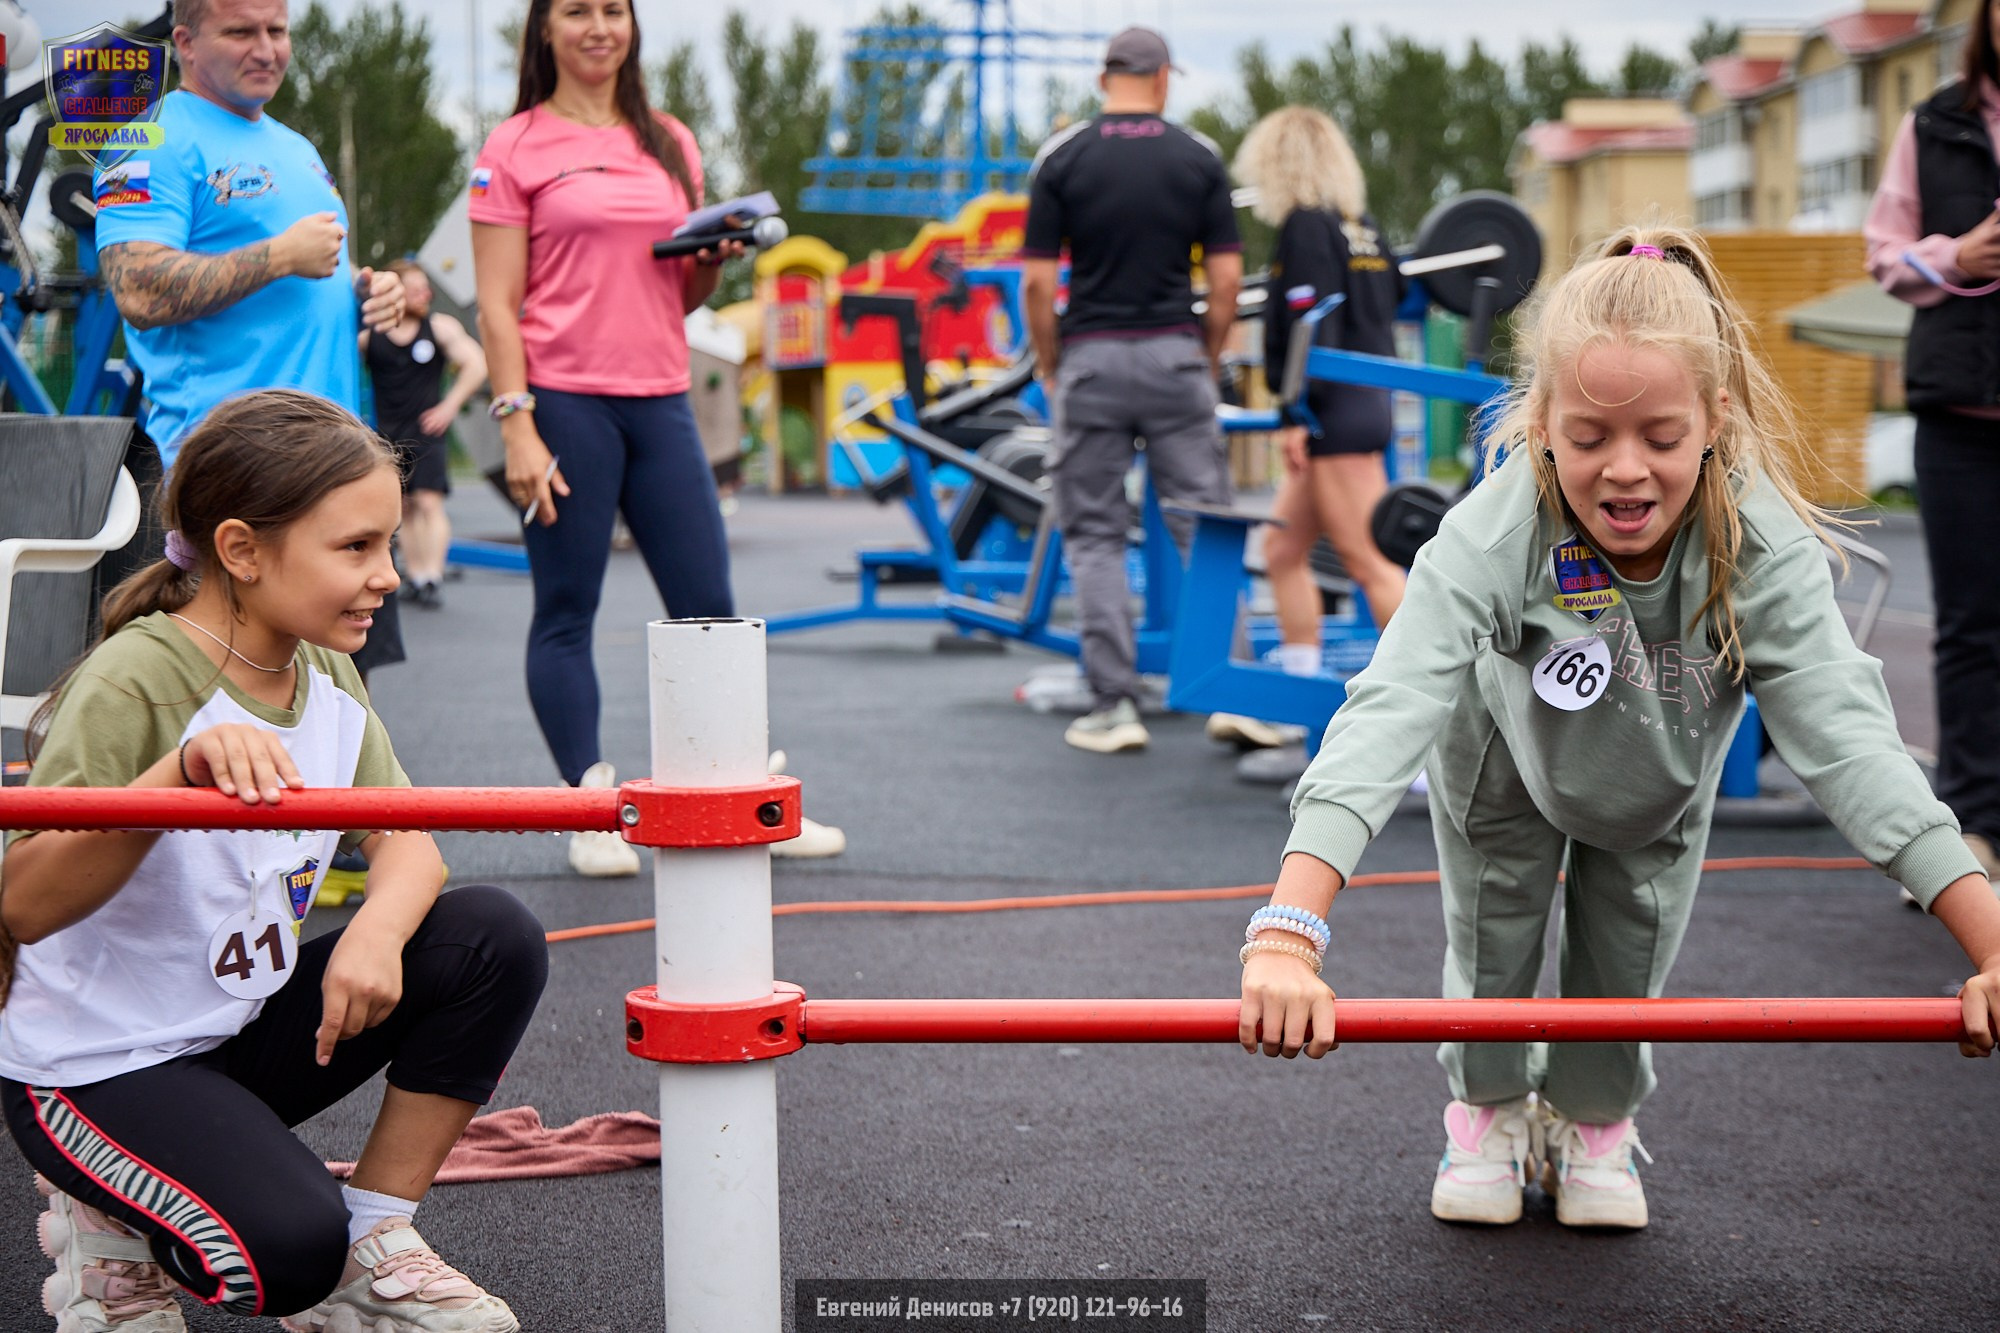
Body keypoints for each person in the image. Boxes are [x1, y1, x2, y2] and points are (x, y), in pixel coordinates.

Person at [1236, 227, 2000, 1233]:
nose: (1624, 472)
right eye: (1589, 437)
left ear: (1714, 420)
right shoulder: (1497, 529)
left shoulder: (1756, 547)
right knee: (1495, 928)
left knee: (1627, 947)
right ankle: (1489, 1109)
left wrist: (1985, 935)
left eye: (1659, 436)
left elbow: (1846, 740)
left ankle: (1595, 1121)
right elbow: (1391, 702)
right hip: (1502, 761)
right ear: (1543, 422)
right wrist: (1288, 932)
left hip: (1657, 772)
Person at [0, 391, 548, 1331]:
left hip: (226, 1034)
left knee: (492, 935)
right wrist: (176, 779)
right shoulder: (137, 679)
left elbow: (407, 840)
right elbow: (19, 905)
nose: (386, 574)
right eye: (354, 548)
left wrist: (376, 929)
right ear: (243, 551)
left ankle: (376, 1236)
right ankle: (107, 1224)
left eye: (387, 543)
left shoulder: (324, 670)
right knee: (286, 1255)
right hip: (91, 1067)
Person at [469, 0, 843, 875]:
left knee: (710, 614)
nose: (598, 27)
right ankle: (588, 804)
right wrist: (516, 421)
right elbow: (495, 304)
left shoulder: (669, 138)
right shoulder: (513, 145)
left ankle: (739, 798)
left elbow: (675, 298)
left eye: (613, 11)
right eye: (577, 12)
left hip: (663, 399)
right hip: (563, 401)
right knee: (567, 610)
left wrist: (712, 260)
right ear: (546, 29)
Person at [93, 0, 408, 684]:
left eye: (278, 30)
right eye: (241, 32)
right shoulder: (143, 140)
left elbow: (302, 275)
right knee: (229, 707)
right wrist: (278, 256)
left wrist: (363, 290)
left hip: (332, 463)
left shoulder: (296, 147)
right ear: (185, 43)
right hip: (236, 475)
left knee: (335, 709)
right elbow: (139, 291)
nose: (266, 48)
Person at [1022, 25, 1242, 754]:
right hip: (1175, 356)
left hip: (1091, 357)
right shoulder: (1198, 157)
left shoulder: (1062, 157)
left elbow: (1036, 281)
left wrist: (1052, 363)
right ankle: (1234, 691)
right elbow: (1226, 281)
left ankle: (1114, 706)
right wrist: (1204, 355)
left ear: (1103, 78)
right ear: (1163, 79)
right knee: (1205, 526)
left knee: (1093, 533)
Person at [1208, 105, 1410, 766]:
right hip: (1362, 402)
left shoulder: (1306, 227)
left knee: (1369, 563)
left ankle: (1421, 733)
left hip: (1331, 413)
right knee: (1283, 550)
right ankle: (1297, 700)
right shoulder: (1364, 228)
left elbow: (1308, 327)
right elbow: (1388, 304)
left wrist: (1294, 414)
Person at [1865, 0, 2000, 890]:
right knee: (1970, 629)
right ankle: (1976, 833)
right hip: (1961, 415)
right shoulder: (1936, 121)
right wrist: (1957, 256)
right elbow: (1885, 256)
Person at [361, 261, 488, 610]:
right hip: (388, 435)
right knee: (404, 508)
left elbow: (477, 364)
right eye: (415, 287)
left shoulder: (439, 328)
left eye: (424, 287)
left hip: (427, 430)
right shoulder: (370, 334)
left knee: (430, 503)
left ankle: (432, 575)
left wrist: (449, 406)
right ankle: (415, 576)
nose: (424, 294)